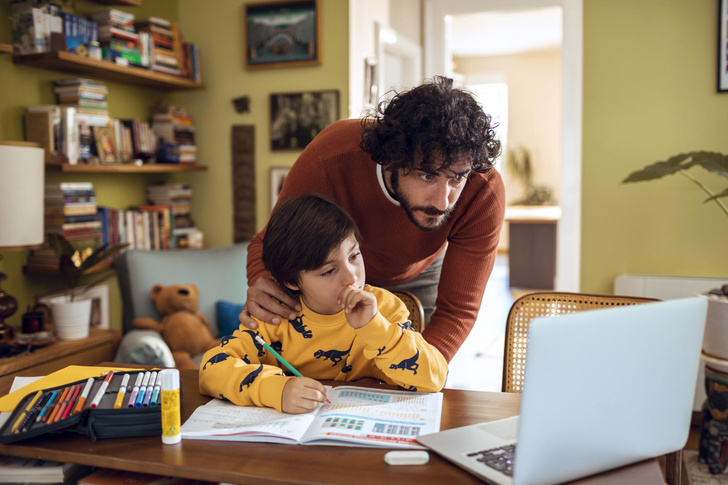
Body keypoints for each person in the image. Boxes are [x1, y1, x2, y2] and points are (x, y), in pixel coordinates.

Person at [242, 76, 505, 363]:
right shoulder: (329, 158)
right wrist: (263, 281)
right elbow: (267, 243)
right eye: (427, 175)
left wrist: (419, 372)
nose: (443, 202)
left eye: (457, 178)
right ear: (392, 158)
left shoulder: (483, 191)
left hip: (421, 273)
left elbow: (457, 311)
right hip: (333, 275)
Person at [199, 195, 447, 414]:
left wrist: (376, 329)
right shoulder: (274, 317)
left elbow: (434, 379)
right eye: (328, 271)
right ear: (291, 281)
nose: (351, 277)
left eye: (354, 256)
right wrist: (275, 390)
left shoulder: (385, 308)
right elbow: (211, 369)